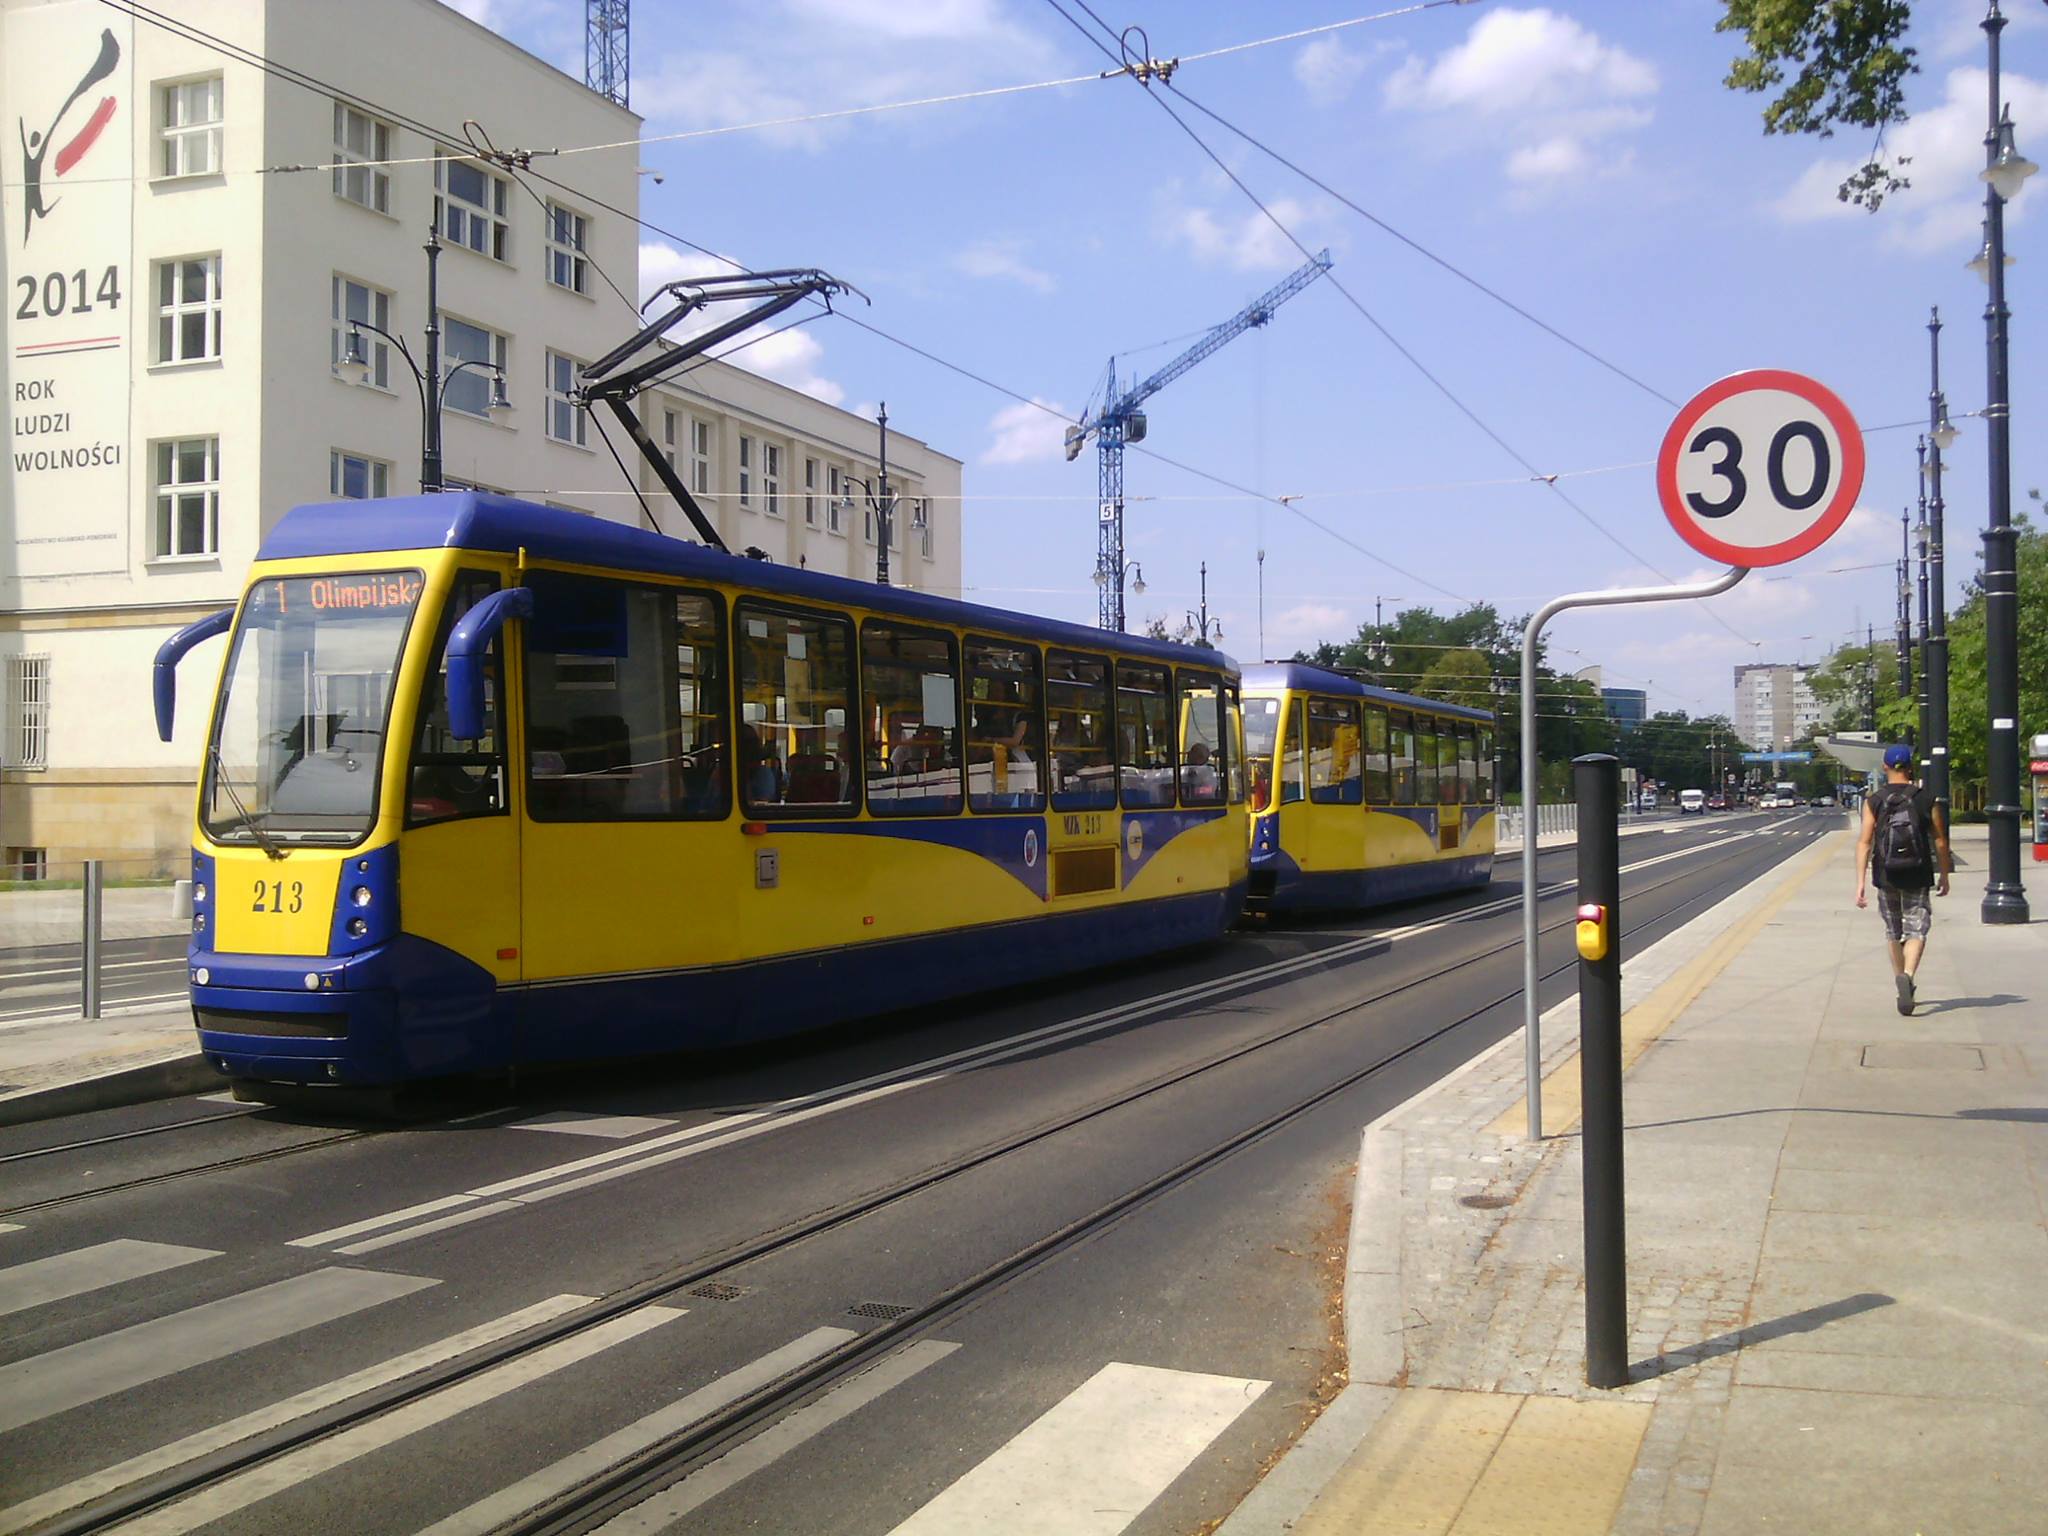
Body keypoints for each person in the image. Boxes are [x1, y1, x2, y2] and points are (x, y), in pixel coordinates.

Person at [1854, 744, 1952, 1015]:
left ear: (1885, 767)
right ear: (1910, 768)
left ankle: (1901, 981)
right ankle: (1908, 975)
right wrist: (1943, 873)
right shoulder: (1925, 798)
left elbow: (1864, 842)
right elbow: (1940, 841)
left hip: (1886, 873)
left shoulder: (1874, 800)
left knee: (1893, 930)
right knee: (1917, 928)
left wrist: (1860, 881)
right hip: (1918, 872)